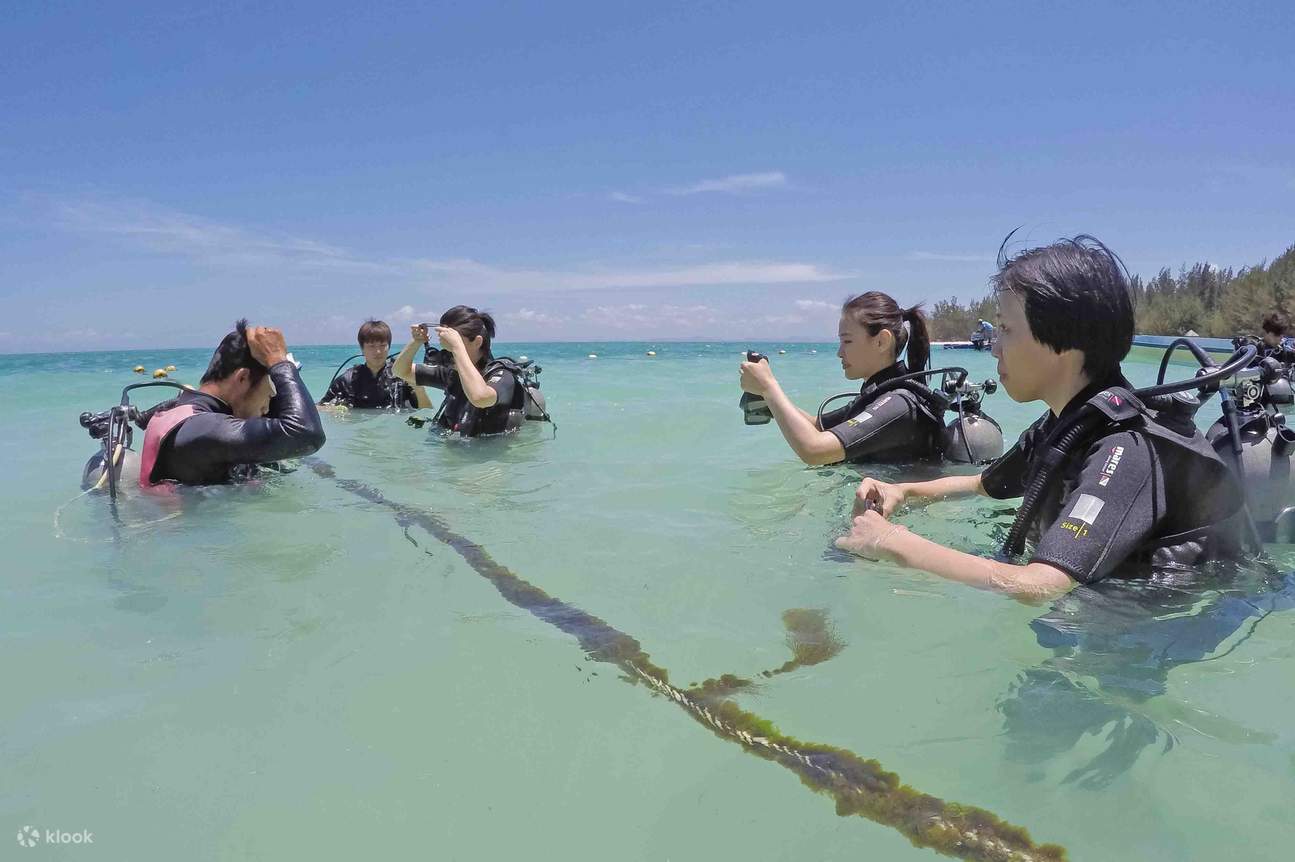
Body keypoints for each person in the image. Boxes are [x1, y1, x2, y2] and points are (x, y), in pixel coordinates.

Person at [836, 236, 1247, 601]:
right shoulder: (1066, 424)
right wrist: (903, 492)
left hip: (1156, 630)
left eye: (1006, 330)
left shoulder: (1126, 448)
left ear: (1065, 344)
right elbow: (981, 483)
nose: (995, 348)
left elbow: (1041, 586)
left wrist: (894, 543)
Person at [738, 292, 943, 465]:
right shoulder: (877, 394)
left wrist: (768, 387)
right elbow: (817, 426)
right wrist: (770, 402)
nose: (839, 352)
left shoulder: (898, 404)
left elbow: (815, 451)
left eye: (847, 341)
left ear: (881, 341)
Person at [138, 320, 326, 486]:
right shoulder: (204, 428)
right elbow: (306, 434)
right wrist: (278, 361)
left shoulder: (184, 411)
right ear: (243, 378)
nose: (267, 408)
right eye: (269, 396)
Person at [391, 305, 528, 437]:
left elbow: (480, 398)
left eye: (453, 340)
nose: (448, 349)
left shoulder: (503, 375)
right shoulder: (451, 374)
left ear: (477, 342)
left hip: (492, 457)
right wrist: (416, 342)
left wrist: (457, 347)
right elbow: (400, 371)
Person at [319, 319, 430, 409]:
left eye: (382, 345)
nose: (378, 351)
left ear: (389, 346)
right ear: (362, 349)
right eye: (371, 346)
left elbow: (426, 409)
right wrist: (334, 410)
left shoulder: (401, 374)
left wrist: (418, 386)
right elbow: (320, 408)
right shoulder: (347, 379)